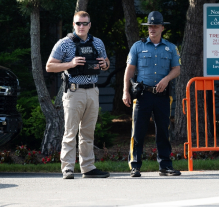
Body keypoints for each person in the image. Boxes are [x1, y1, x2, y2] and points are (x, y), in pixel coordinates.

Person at [46, 11, 110, 179]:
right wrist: (71, 63)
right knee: (70, 131)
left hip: (93, 91)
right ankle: (67, 168)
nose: (81, 26)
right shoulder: (64, 43)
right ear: (73, 25)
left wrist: (105, 64)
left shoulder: (97, 43)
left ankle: (88, 168)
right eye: (78, 23)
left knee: (88, 132)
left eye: (84, 23)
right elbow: (49, 66)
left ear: (90, 25)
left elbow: (106, 62)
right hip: (74, 91)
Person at [122, 11, 181, 177]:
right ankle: (135, 166)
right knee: (138, 131)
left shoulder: (170, 48)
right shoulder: (138, 47)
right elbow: (130, 70)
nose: (152, 29)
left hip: (162, 96)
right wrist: (125, 91)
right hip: (143, 95)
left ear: (162, 28)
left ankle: (165, 166)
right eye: (150, 26)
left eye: (156, 26)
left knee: (163, 130)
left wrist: (166, 79)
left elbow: (177, 69)